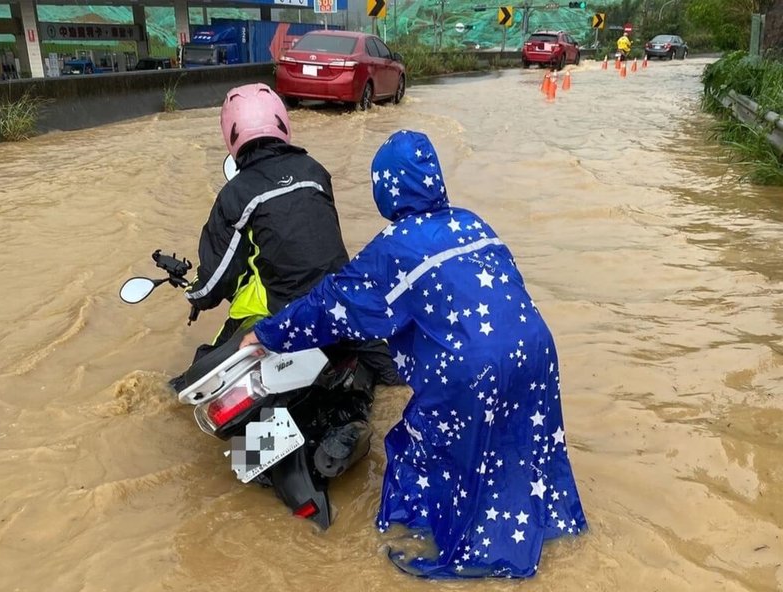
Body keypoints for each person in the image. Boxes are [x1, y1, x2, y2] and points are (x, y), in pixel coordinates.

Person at [240, 130, 587, 578]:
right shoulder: (472, 223)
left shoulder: (395, 247)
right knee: (518, 442)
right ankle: (545, 527)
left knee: (417, 450)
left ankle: (423, 541)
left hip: (471, 365)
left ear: (386, 188)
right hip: (536, 349)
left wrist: (266, 334)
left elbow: (333, 303)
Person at [181, 83, 399, 385]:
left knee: (196, 382)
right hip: (340, 303)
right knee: (392, 374)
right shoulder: (315, 172)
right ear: (282, 121)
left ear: (230, 133)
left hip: (286, 315)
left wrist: (194, 295)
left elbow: (215, 280)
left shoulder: (236, 194)